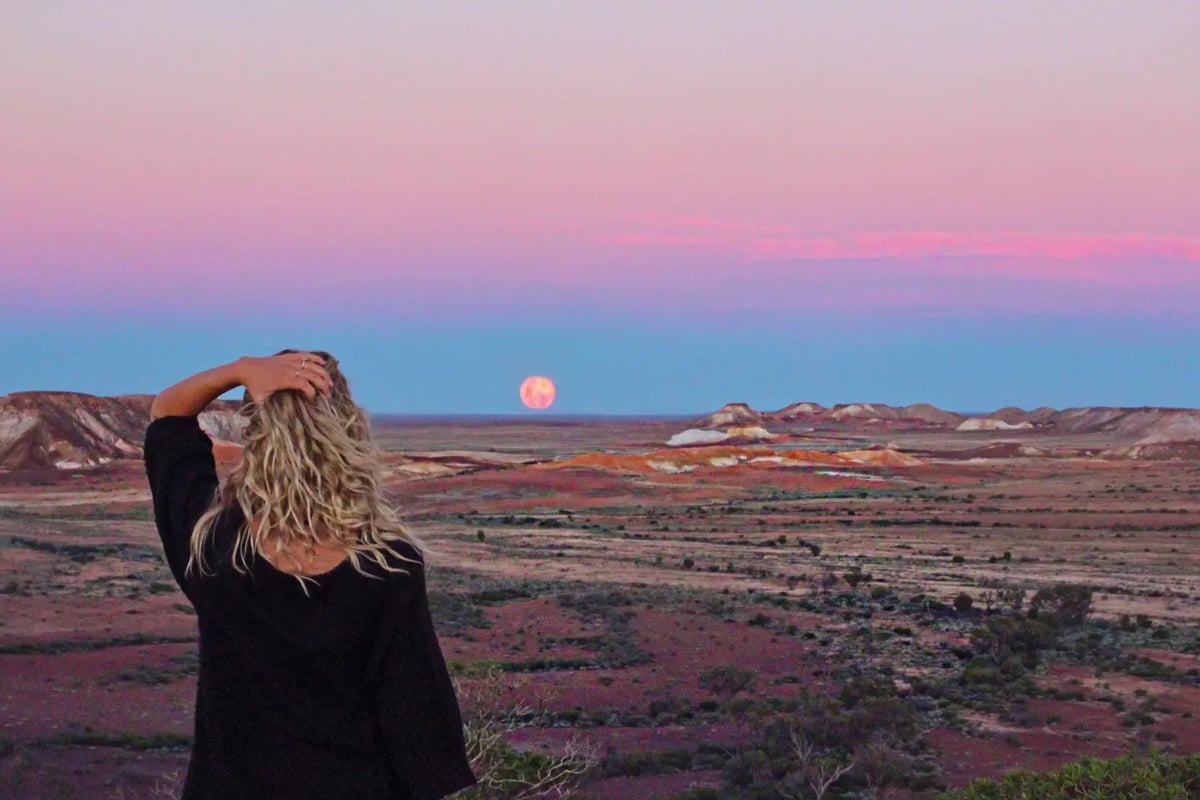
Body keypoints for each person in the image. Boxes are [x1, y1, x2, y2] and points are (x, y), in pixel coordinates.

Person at [143, 349, 478, 800]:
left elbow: (168, 416)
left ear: (258, 434)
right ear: (346, 429)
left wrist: (241, 369)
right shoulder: (387, 564)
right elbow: (418, 726)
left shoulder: (212, 550)